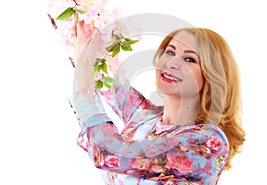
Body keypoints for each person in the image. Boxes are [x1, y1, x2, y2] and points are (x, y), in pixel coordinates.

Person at [70, 20, 245, 184]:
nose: (172, 63)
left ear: (211, 76)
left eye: (190, 59)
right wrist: (78, 12)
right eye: (169, 52)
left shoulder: (206, 141)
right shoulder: (144, 116)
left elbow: (108, 152)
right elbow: (96, 72)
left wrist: (83, 87)